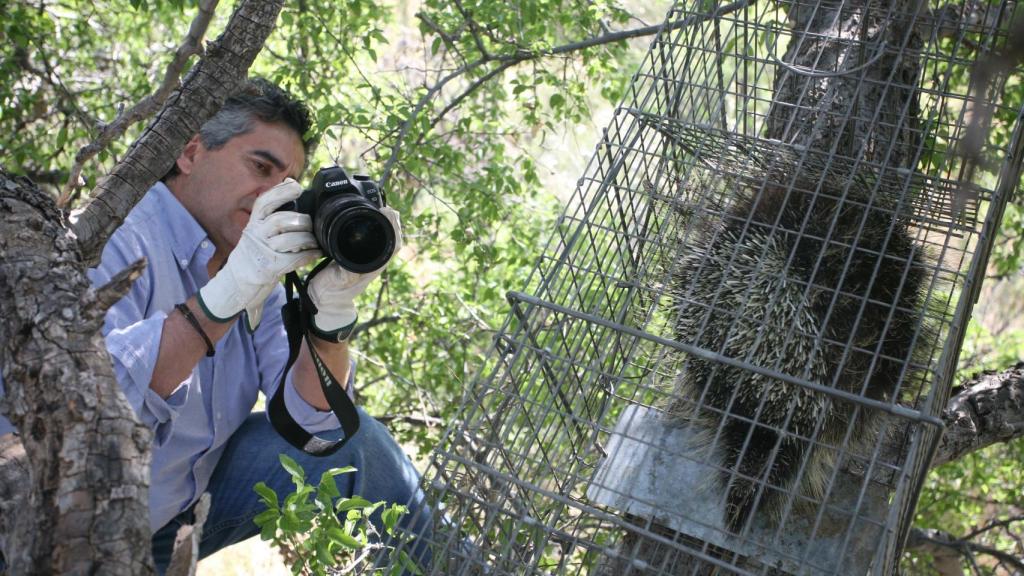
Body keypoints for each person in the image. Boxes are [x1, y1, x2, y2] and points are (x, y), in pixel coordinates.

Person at [0, 79, 429, 573]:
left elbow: (320, 425)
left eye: (287, 183)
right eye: (260, 167)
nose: (274, 196)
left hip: (173, 512)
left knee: (363, 450)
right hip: (51, 524)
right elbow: (90, 408)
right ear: (190, 153)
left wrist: (329, 319)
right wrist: (225, 296)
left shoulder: (258, 263)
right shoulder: (115, 234)